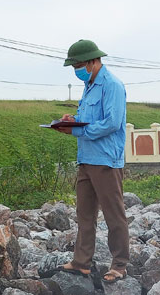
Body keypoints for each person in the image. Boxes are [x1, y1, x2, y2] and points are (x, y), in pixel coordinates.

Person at [54, 39, 129, 282]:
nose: (76, 70)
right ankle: (81, 262)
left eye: (78, 65)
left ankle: (119, 265)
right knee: (84, 213)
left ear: (93, 61)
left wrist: (76, 131)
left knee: (113, 213)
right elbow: (90, 119)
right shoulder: (89, 86)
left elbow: (112, 123)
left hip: (106, 160)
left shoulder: (112, 86)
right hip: (86, 158)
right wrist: (71, 120)